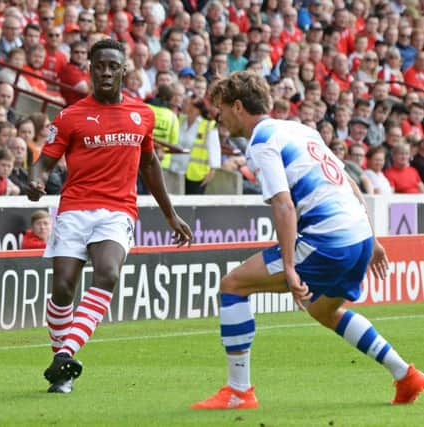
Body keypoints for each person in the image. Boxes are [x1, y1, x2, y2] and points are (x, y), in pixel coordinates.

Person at [191, 71, 424, 410]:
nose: (220, 118)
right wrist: (372, 240)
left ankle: (238, 391)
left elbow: (284, 206)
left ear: (238, 106)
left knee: (233, 285)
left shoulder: (261, 141)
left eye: (221, 109)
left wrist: (288, 266)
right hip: (357, 236)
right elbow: (348, 183)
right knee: (324, 311)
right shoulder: (300, 129)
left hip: (327, 240)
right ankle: (405, 375)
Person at [27, 39, 193, 394]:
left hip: (117, 210)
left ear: (123, 71)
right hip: (73, 209)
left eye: (112, 66)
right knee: (63, 289)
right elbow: (45, 161)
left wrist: (170, 214)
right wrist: (36, 179)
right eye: (99, 65)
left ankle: (66, 356)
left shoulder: (142, 115)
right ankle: (63, 364)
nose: (105, 71)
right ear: (90, 69)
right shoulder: (70, 116)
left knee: (108, 272)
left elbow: (149, 165)